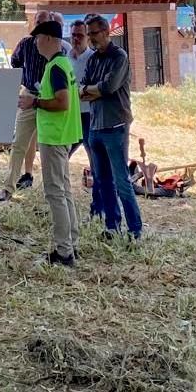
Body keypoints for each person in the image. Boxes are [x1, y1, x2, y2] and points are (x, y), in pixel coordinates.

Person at [17, 20, 82, 267]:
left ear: (48, 39)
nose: (34, 42)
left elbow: (62, 102)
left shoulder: (55, 67)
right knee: (64, 191)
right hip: (63, 135)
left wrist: (34, 102)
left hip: (54, 137)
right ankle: (71, 243)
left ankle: (64, 252)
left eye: (37, 37)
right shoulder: (63, 64)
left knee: (55, 193)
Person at [82, 15, 143, 239]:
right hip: (95, 125)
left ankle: (135, 229)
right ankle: (112, 227)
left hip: (116, 125)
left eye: (94, 34)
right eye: (89, 35)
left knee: (121, 181)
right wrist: (92, 89)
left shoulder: (119, 56)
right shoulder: (92, 60)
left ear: (107, 32)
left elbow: (109, 87)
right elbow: (81, 89)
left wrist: (92, 90)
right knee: (102, 181)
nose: (91, 39)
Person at [2, 9, 53, 198]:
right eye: (38, 21)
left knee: (49, 147)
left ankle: (50, 190)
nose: (40, 24)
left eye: (44, 21)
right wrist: (25, 78)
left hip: (49, 99)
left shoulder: (57, 48)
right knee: (18, 144)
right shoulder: (26, 43)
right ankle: (8, 187)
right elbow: (14, 62)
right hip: (28, 94)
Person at [68, 19, 102, 219]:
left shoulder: (93, 58)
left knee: (95, 163)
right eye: (73, 35)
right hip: (71, 115)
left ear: (87, 37)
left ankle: (97, 208)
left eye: (80, 35)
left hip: (89, 115)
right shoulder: (67, 57)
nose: (76, 39)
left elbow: (95, 89)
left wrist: (83, 92)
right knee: (61, 156)